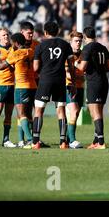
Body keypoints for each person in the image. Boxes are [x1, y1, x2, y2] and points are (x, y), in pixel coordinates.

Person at [31, 21, 76, 150]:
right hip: (60, 80)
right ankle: (63, 142)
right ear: (58, 32)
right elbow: (71, 66)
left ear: (45, 32)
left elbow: (35, 67)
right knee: (61, 111)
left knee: (39, 110)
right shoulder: (65, 45)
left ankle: (35, 141)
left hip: (45, 80)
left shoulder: (40, 46)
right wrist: (72, 82)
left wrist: (42, 73)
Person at [0, 33, 36, 148]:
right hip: (33, 86)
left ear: (17, 43)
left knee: (21, 114)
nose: (12, 45)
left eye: (13, 43)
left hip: (21, 87)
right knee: (28, 114)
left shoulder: (16, 53)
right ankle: (34, 138)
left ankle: (30, 140)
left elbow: (1, 66)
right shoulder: (31, 51)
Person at [76, 27, 109, 150]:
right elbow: (108, 67)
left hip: (94, 82)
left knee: (95, 113)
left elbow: (82, 68)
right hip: (104, 81)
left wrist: (76, 63)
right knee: (98, 112)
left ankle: (101, 142)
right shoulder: (103, 48)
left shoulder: (87, 48)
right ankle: (96, 140)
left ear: (85, 37)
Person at [57, 31, 85, 149]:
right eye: (76, 41)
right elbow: (67, 74)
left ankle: (66, 140)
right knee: (73, 111)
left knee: (77, 113)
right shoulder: (66, 55)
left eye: (80, 41)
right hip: (68, 86)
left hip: (80, 86)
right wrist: (80, 76)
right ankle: (72, 140)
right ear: (71, 42)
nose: (78, 43)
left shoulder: (84, 54)